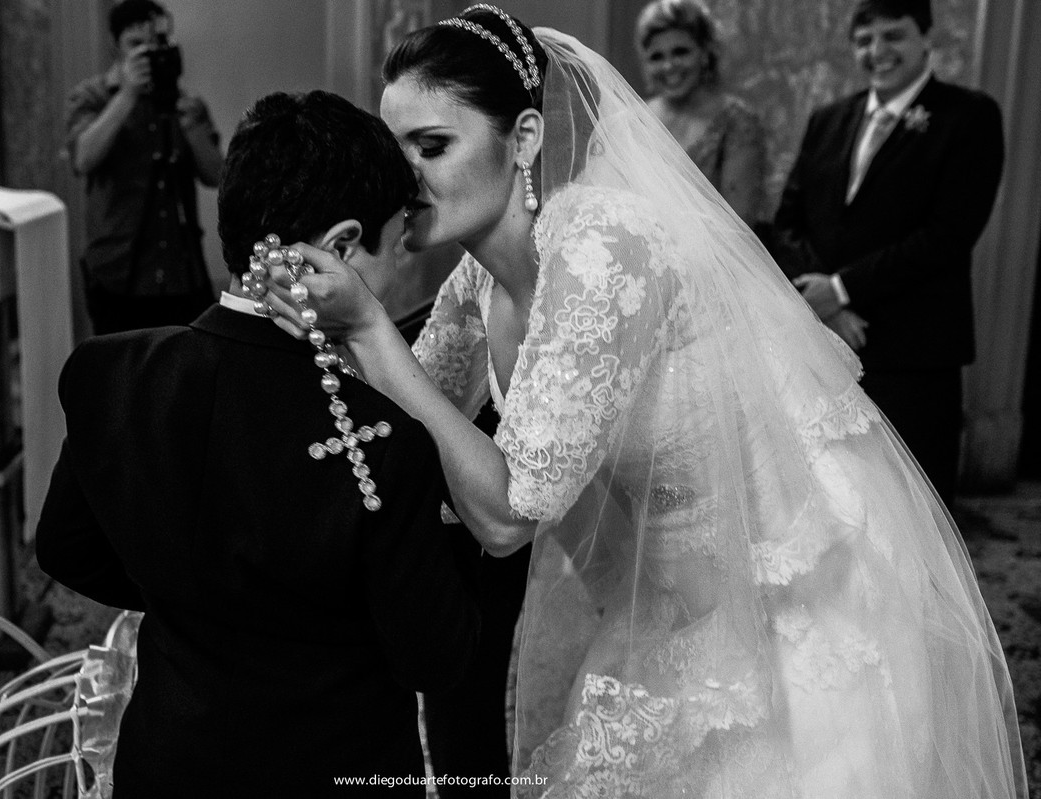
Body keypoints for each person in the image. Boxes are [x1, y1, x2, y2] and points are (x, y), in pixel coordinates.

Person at [257, 5, 1025, 797]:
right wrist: (299, 327)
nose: (406, 179)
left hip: (794, 608)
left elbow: (509, 514)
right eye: (398, 152)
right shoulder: (480, 277)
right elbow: (392, 430)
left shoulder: (602, 241)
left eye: (434, 145)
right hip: (661, 613)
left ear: (524, 137)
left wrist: (373, 330)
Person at [36, 90, 480, 798]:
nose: (402, 271)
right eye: (396, 243)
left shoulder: (108, 374)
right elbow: (433, 657)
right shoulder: (386, 438)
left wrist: (200, 600)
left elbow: (65, 547)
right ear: (338, 248)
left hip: (168, 763)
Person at [770, 0, 1004, 508]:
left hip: (913, 355)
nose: (877, 52)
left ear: (926, 38)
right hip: (821, 346)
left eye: (893, 36)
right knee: (828, 507)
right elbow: (789, 222)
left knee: (911, 509)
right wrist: (823, 302)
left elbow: (948, 234)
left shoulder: (969, 117)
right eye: (864, 40)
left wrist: (842, 288)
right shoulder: (828, 120)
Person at [65, 0, 224, 335]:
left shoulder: (186, 104)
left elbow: (216, 176)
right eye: (135, 45)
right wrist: (126, 95)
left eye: (154, 45)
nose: (148, 55)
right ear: (115, 46)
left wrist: (191, 126)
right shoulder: (92, 97)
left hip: (182, 272)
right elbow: (83, 159)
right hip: (118, 274)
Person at [635, 0, 767, 228]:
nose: (669, 66)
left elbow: (739, 226)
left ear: (705, 53)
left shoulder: (737, 121)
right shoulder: (636, 118)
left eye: (681, 52)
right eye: (657, 57)